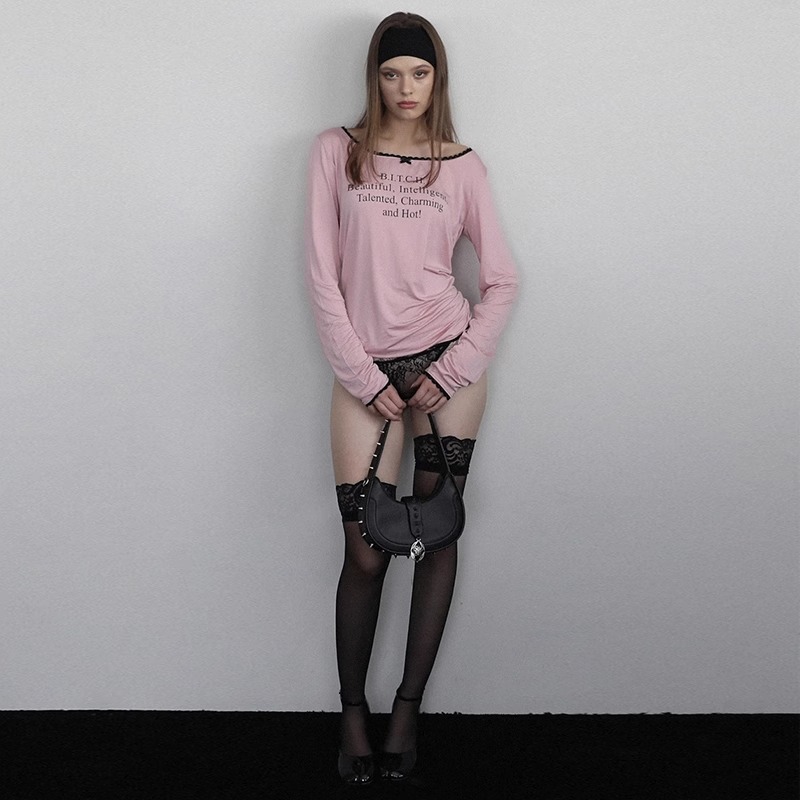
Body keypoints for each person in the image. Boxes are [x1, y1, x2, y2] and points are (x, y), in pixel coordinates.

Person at [305, 11, 518, 786]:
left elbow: (503, 281)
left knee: (437, 529)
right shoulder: (337, 152)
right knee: (366, 549)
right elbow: (322, 278)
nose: (406, 87)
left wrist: (454, 369)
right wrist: (365, 378)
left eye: (419, 73)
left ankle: (406, 712)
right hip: (365, 370)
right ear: (374, 77)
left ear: (437, 79)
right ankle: (351, 713)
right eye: (392, 73)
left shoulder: (462, 166)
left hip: (445, 364)